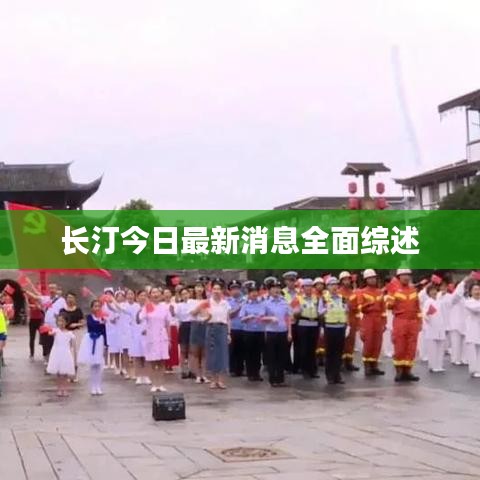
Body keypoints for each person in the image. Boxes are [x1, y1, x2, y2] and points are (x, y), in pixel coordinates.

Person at [386, 269, 422, 382]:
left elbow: (418, 308)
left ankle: (408, 371)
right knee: (400, 346)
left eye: (408, 275)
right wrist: (391, 296)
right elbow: (388, 306)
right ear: (399, 277)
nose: (406, 277)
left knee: (411, 347)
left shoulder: (413, 291)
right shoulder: (394, 290)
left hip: (413, 322)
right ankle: (399, 371)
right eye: (403, 275)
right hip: (400, 321)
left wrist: (420, 322)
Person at [139, 287, 171, 393]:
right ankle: (154, 384)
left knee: (162, 361)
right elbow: (140, 318)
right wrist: (145, 306)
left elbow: (168, 324)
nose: (155, 294)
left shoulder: (165, 307)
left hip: (162, 335)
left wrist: (169, 339)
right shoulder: (147, 307)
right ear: (150, 295)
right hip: (151, 335)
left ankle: (160, 384)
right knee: (152, 361)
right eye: (153, 292)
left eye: (157, 292)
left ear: (161, 295)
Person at [25, 282, 67, 363]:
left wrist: (61, 319)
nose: (52, 290)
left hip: (57, 325)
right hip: (47, 325)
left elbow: (65, 311)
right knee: (47, 343)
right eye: (50, 288)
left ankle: (57, 359)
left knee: (56, 342)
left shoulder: (61, 300)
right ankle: (48, 358)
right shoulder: (46, 299)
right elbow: (35, 297)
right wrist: (26, 291)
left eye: (53, 288)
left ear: (56, 289)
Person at [319, 277, 349, 385]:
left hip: (340, 327)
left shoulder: (342, 298)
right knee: (330, 353)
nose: (334, 287)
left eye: (336, 284)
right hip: (330, 327)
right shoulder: (324, 299)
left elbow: (346, 311)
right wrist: (326, 309)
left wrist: (347, 325)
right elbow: (320, 312)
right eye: (331, 285)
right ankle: (330, 376)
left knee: (339, 352)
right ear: (327, 287)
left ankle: (337, 375)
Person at [357, 269, 387, 376]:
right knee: (368, 343)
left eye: (374, 278)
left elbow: (383, 309)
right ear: (366, 280)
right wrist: (368, 305)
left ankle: (374, 365)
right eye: (370, 278)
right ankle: (367, 366)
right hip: (368, 319)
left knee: (377, 343)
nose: (372, 280)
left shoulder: (380, 292)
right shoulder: (362, 292)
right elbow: (360, 307)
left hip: (378, 319)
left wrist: (384, 322)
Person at [264, 279, 293, 387]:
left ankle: (280, 379)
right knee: (272, 356)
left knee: (282, 356)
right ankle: (272, 379)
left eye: (278, 288)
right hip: (271, 332)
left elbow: (288, 318)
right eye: (274, 288)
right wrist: (270, 318)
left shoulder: (284, 302)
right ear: (269, 290)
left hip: (283, 332)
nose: (276, 290)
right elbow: (261, 318)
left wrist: (289, 332)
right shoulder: (266, 303)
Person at [204, 278, 231, 389]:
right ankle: (213, 380)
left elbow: (228, 319)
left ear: (222, 290)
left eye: (218, 289)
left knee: (222, 354)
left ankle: (221, 380)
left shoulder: (225, 303)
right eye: (214, 289)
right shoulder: (207, 303)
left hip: (222, 328)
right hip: (211, 328)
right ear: (211, 290)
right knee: (212, 354)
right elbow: (203, 317)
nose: (216, 291)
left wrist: (229, 333)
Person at [453, 274, 480, 377]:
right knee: (473, 351)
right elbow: (476, 308)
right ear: (470, 292)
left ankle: (479, 369)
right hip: (472, 330)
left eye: (479, 289)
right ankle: (474, 370)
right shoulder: (468, 302)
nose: (477, 292)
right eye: (475, 290)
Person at [78, 300, 107, 395]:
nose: (97, 308)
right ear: (92, 308)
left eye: (99, 306)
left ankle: (98, 386)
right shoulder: (89, 317)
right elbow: (91, 325)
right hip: (91, 340)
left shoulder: (103, 317)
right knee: (93, 364)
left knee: (99, 364)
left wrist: (105, 344)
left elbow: (104, 331)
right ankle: (93, 386)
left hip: (99, 340)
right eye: (95, 306)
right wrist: (99, 321)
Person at [240, 281, 267, 382]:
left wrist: (263, 318)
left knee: (258, 353)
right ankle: (250, 373)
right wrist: (248, 317)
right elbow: (241, 319)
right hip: (249, 331)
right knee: (249, 353)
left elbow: (266, 315)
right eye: (252, 292)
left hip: (260, 331)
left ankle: (257, 373)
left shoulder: (262, 304)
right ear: (249, 293)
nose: (254, 294)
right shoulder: (245, 304)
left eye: (256, 291)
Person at [293, 279, 320, 379]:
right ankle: (304, 369)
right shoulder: (298, 298)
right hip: (303, 324)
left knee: (312, 349)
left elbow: (320, 311)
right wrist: (297, 312)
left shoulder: (316, 298)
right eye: (306, 286)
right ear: (302, 288)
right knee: (303, 348)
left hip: (314, 324)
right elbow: (293, 312)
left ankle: (312, 370)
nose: (308, 288)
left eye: (310, 286)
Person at [46, 314, 75, 397]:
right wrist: (50, 331)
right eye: (59, 321)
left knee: (65, 373)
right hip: (57, 353)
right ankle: (59, 389)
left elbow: (71, 344)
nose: (61, 323)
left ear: (66, 322)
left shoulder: (69, 333)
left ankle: (65, 389)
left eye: (63, 321)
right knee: (58, 373)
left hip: (65, 353)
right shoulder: (56, 331)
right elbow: (50, 333)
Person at [59, 292, 84, 382]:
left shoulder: (78, 310)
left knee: (75, 353)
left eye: (72, 298)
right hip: (65, 333)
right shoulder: (62, 310)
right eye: (68, 297)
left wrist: (76, 324)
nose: (70, 299)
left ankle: (75, 374)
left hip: (76, 333)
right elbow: (59, 322)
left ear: (75, 299)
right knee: (66, 353)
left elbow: (82, 323)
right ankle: (67, 373)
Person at [338, 271, 360, 372]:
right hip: (342, 320)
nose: (347, 281)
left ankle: (349, 362)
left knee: (351, 342)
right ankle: (341, 362)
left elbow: (356, 309)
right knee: (342, 342)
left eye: (348, 279)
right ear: (341, 281)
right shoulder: (338, 293)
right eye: (345, 280)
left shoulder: (353, 294)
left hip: (352, 320)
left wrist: (358, 323)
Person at [422, 284, 447, 373]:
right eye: (431, 291)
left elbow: (444, 314)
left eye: (435, 290)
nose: (434, 292)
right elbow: (424, 313)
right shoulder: (428, 302)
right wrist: (427, 315)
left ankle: (439, 365)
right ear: (428, 293)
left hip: (440, 327)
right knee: (432, 348)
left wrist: (445, 325)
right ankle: (432, 366)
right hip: (431, 327)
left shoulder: (440, 302)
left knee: (440, 348)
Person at [189, 281, 210, 384]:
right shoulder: (191, 301)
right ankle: (198, 375)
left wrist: (206, 317)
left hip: (205, 325)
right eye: (197, 287)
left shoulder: (208, 301)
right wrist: (200, 306)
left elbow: (209, 314)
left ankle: (204, 375)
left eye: (201, 287)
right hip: (195, 325)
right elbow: (192, 313)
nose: (199, 289)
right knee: (196, 352)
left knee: (205, 352)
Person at [129, 289, 150, 385]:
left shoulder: (149, 307)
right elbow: (119, 309)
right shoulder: (133, 307)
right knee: (137, 356)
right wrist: (111, 300)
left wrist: (148, 329)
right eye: (141, 295)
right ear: (137, 297)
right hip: (136, 334)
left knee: (146, 356)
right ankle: (138, 376)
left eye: (145, 295)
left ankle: (146, 375)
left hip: (147, 334)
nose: (143, 297)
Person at [282, 271, 299, 374]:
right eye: (289, 280)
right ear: (285, 281)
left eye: (293, 280)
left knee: (298, 345)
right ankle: (287, 366)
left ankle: (297, 367)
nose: (292, 283)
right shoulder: (282, 293)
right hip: (286, 322)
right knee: (286, 346)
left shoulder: (299, 292)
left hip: (297, 321)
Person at [175, 287, 195, 379]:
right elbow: (176, 315)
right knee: (183, 350)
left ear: (189, 294)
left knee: (192, 350)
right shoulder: (179, 305)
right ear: (180, 296)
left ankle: (192, 370)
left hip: (192, 325)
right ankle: (183, 370)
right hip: (184, 326)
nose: (185, 295)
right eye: (183, 294)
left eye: (186, 293)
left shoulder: (193, 303)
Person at [227, 280, 245, 377]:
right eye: (233, 289)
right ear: (230, 291)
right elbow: (229, 314)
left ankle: (241, 369)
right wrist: (239, 307)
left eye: (237, 288)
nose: (235, 291)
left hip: (243, 327)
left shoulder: (245, 299)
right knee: (232, 350)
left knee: (242, 349)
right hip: (233, 328)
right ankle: (232, 369)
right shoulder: (228, 301)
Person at [164, 288, 179, 373]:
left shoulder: (175, 305)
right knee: (164, 346)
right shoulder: (161, 305)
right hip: (163, 327)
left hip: (172, 326)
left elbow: (175, 315)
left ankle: (171, 365)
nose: (167, 295)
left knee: (172, 346)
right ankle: (164, 364)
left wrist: (172, 310)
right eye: (165, 293)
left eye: (168, 292)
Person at [313, 277, 326, 366]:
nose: (320, 286)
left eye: (321, 284)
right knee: (317, 339)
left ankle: (323, 357)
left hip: (325, 319)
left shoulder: (326, 295)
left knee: (323, 339)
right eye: (318, 284)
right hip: (315, 319)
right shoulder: (313, 295)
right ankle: (317, 357)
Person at [27, 296, 44, 361]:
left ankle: (45, 354)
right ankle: (31, 354)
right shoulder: (29, 297)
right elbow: (28, 305)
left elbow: (41, 307)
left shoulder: (39, 297)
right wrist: (32, 306)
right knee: (32, 338)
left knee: (43, 337)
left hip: (39, 320)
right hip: (32, 320)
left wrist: (36, 306)